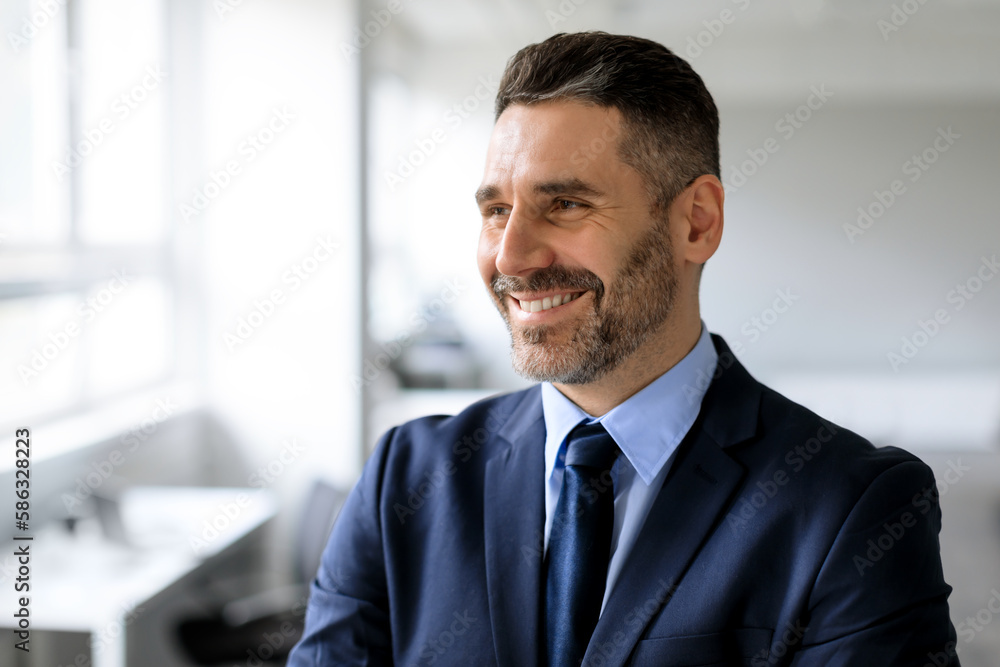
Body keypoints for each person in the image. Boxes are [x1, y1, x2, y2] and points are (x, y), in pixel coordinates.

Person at [288, 32, 959, 666]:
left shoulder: (849, 507)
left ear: (696, 222)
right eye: (496, 211)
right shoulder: (404, 481)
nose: (511, 256)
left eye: (567, 205)